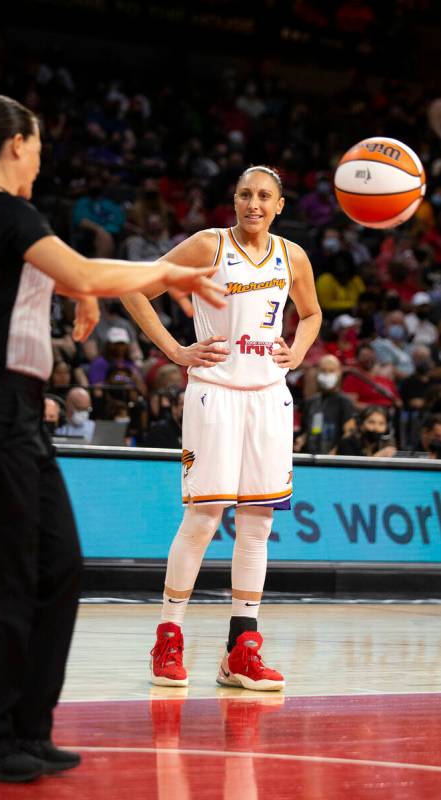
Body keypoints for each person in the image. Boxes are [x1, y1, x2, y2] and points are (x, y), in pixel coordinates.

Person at [0, 93, 224, 783]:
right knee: (3, 580)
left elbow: (59, 278)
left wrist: (81, 292)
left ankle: (25, 729)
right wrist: (166, 272)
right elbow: (85, 270)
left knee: (57, 568)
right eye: (37, 144)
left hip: (14, 409)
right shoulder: (1, 208)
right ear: (17, 147)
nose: (42, 156)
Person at [122, 165, 322, 692]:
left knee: (257, 524)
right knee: (205, 517)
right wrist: (175, 351)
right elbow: (133, 288)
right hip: (215, 393)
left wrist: (296, 352)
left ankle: (242, 650)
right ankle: (168, 638)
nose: (253, 203)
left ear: (280, 205)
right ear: (232, 200)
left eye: (264, 196)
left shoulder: (291, 255)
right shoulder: (208, 245)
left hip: (269, 397)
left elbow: (313, 313)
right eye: (244, 194)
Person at [295, 355, 356, 454]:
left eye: (331, 371)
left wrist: (336, 452)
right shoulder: (311, 402)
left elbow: (349, 433)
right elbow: (313, 429)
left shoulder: (345, 402)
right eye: (323, 370)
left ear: (339, 373)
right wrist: (302, 439)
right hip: (312, 458)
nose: (327, 374)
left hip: (334, 461)